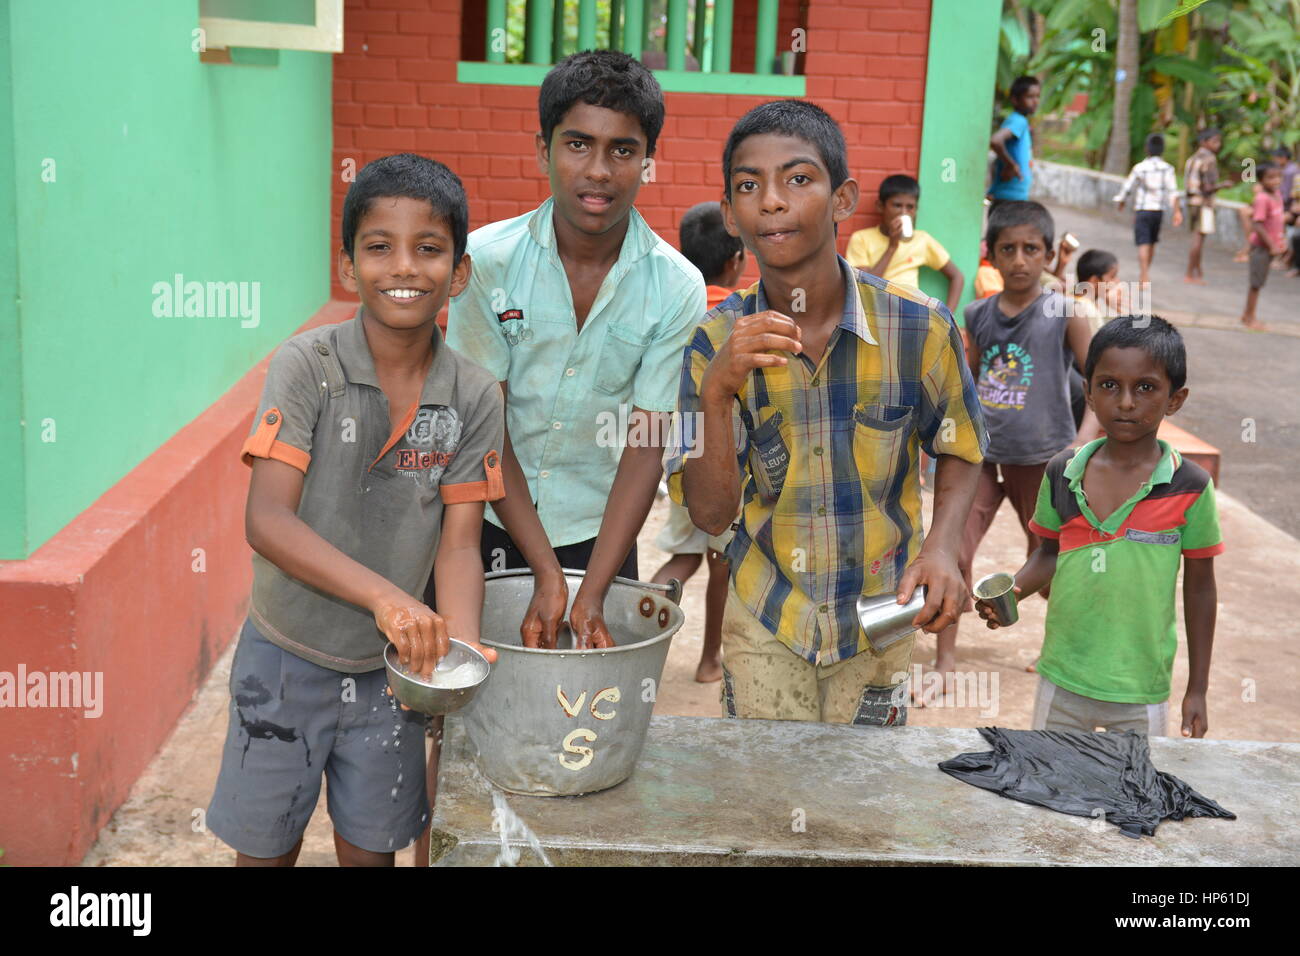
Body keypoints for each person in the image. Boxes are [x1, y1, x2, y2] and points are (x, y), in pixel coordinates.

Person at [207, 154, 505, 866]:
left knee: (372, 850)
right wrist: (391, 599)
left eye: (429, 249)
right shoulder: (306, 366)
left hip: (390, 678)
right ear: (349, 265)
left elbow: (460, 546)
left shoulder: (475, 395)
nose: (404, 268)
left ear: (458, 274)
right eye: (379, 247)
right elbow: (269, 521)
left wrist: (455, 658)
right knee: (264, 848)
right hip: (283, 658)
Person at [664, 100, 988, 725]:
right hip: (767, 615)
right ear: (731, 216)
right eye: (749, 186)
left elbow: (961, 448)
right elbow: (710, 514)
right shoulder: (715, 341)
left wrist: (943, 548)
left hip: (880, 620)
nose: (773, 202)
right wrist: (716, 396)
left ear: (843, 200)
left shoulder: (916, 326)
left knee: (866, 804)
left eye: (798, 179)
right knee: (764, 803)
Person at [444, 50, 706, 649]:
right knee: (469, 697)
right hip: (482, 520)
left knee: (591, 714)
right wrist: (542, 568)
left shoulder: (675, 286)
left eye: (623, 150)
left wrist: (590, 587)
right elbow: (485, 426)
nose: (599, 170)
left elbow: (645, 447)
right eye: (578, 144)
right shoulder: (487, 262)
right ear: (544, 150)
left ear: (647, 162)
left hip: (603, 533)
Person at [977, 317, 1223, 738]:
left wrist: (1197, 688)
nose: (1126, 402)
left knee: (1134, 797)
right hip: (1062, 677)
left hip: (1141, 688)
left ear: (1175, 399)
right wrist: (1014, 590)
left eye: (1145, 387)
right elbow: (1049, 553)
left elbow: (1200, 587)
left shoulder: (1191, 487)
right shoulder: (1061, 472)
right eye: (1109, 385)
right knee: (1051, 789)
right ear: (1088, 393)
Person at [927, 200, 1100, 699]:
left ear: (1048, 254)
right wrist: (940, 441)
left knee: (1047, 564)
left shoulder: (1063, 312)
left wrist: (1081, 441)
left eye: (1031, 249)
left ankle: (1058, 653)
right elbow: (969, 380)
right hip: (981, 456)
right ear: (991, 255)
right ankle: (945, 659)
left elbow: (1098, 380)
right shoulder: (978, 312)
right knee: (954, 549)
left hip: (1044, 460)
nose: (1020, 260)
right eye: (1009, 250)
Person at [650, 201, 745, 683]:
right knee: (721, 559)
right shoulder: (739, 316)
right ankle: (710, 660)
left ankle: (636, 628)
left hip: (678, 445)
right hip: (723, 452)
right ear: (737, 260)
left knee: (684, 556)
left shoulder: (677, 306)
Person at [845, 173, 965, 314]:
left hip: (910, 313)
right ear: (880, 206)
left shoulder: (922, 240)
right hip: (874, 312)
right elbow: (863, 287)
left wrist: (947, 317)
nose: (904, 213)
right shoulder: (862, 239)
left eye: (910, 207)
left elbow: (957, 276)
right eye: (897, 206)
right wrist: (892, 247)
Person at [1114, 132, 1183, 287]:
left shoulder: (1140, 168)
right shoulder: (1167, 169)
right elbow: (1173, 191)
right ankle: (1145, 273)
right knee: (1151, 242)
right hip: (1158, 211)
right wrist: (1177, 211)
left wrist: (1121, 200)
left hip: (1143, 209)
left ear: (1147, 148)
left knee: (1143, 242)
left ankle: (1144, 274)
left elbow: (1128, 186)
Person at [1240, 160, 1286, 331]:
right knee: (1256, 284)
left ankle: (1248, 315)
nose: (1276, 181)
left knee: (1259, 282)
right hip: (1261, 248)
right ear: (1261, 180)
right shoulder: (1262, 199)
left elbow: (1277, 220)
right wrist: (1271, 244)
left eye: (1278, 177)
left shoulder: (1277, 195)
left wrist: (1281, 241)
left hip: (1270, 247)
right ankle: (1249, 317)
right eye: (1270, 178)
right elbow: (1257, 224)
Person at [1183, 128, 1232, 283]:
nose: (1218, 145)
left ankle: (1197, 270)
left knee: (1197, 236)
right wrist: (1223, 185)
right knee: (1199, 238)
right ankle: (1190, 273)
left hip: (1192, 201)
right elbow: (1207, 187)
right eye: (1214, 141)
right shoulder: (1209, 159)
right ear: (1204, 142)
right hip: (1203, 203)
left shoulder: (1192, 158)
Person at [988, 76, 1040, 205]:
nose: (1035, 101)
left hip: (1011, 196)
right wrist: (1011, 165)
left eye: (1037, 96)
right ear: (1015, 100)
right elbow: (995, 141)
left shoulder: (1021, 122)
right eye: (1029, 97)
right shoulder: (1018, 121)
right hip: (1010, 198)